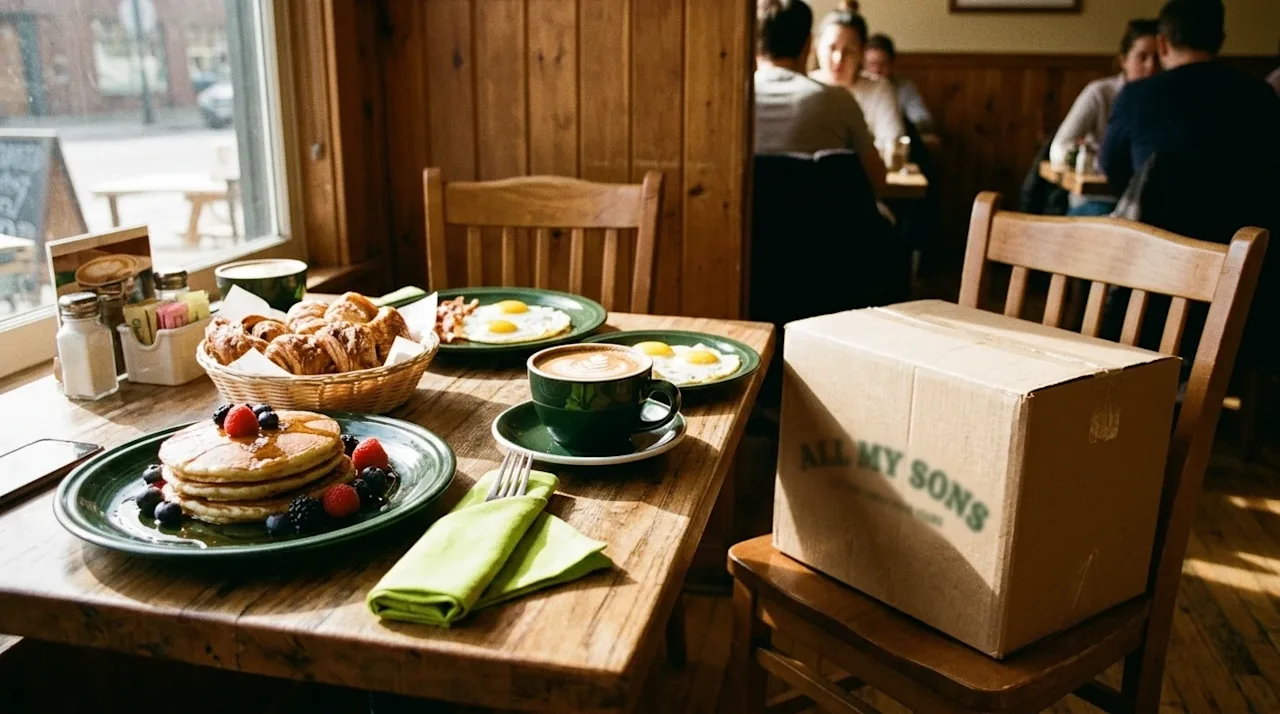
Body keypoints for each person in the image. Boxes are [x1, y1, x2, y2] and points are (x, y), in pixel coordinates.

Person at [1100, 0, 1280, 194]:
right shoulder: (1260, 94)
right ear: (1220, 41)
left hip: (1159, 212)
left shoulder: (1135, 96)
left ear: (1162, 44)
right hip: (1246, 212)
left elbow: (1112, 168)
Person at [754, 0, 886, 194]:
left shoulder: (732, 103)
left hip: (750, 214)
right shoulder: (839, 101)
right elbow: (878, 179)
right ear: (809, 45)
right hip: (826, 214)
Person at [1050, 19, 1159, 215]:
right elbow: (1059, 148)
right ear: (1124, 60)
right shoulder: (1100, 93)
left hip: (1144, 202)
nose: (1151, 66)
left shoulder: (1167, 99)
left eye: (1158, 58)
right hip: (1098, 200)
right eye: (1142, 57)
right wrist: (1092, 158)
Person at [808, 2, 905, 159]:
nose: (838, 59)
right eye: (832, 48)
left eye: (848, 51)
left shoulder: (879, 89)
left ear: (861, 53)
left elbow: (892, 142)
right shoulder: (806, 86)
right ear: (817, 47)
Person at [863, 33, 937, 138]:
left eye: (882, 64)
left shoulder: (904, 88)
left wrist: (895, 123)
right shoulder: (856, 87)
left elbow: (923, 120)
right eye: (872, 64)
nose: (877, 70)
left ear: (892, 65)